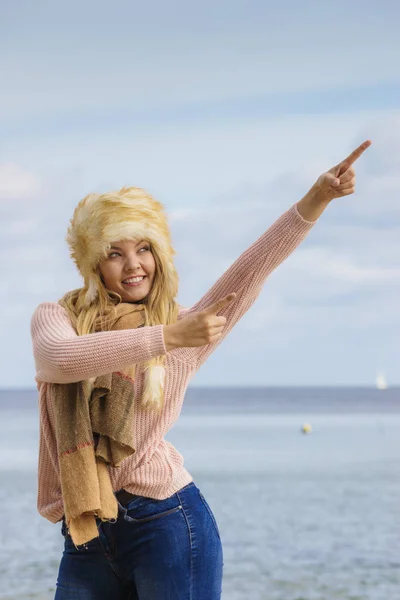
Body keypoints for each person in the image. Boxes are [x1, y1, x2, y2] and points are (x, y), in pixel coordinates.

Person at [30, 140, 371, 600]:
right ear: (94, 263)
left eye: (144, 248)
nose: (134, 265)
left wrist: (315, 200)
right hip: (87, 531)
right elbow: (61, 360)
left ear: (160, 255)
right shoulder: (58, 318)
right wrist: (166, 338)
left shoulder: (186, 327)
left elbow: (250, 272)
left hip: (166, 522)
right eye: (115, 252)